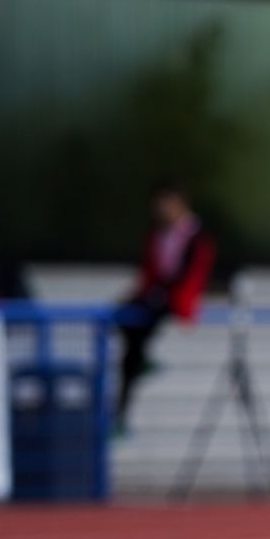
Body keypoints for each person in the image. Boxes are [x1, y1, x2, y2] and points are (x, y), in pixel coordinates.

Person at [113, 182, 216, 435]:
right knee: (125, 329)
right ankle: (122, 412)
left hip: (175, 299)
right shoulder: (157, 235)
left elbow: (191, 276)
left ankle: (122, 413)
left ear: (180, 204)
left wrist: (170, 296)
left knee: (132, 352)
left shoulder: (197, 238)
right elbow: (151, 273)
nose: (161, 210)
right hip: (156, 296)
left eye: (166, 204)